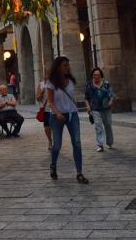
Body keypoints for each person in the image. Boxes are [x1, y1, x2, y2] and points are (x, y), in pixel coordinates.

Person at [45, 56, 88, 184]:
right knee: (57, 144)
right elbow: (50, 102)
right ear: (58, 67)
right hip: (56, 116)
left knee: (77, 142)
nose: (67, 67)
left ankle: (79, 173)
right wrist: (57, 113)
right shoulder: (51, 82)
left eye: (68, 65)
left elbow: (70, 98)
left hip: (72, 114)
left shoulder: (71, 81)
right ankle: (53, 165)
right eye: (64, 65)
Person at [85, 67, 116, 152]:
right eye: (94, 75)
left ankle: (109, 143)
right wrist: (88, 106)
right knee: (98, 126)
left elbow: (112, 94)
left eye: (98, 75)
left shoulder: (106, 84)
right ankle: (100, 144)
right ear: (92, 76)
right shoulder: (89, 85)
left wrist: (111, 101)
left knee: (108, 125)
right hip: (95, 109)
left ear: (101, 76)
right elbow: (86, 98)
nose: (96, 77)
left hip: (106, 108)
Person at [37, 78, 53, 149]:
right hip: (46, 109)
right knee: (47, 127)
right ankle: (50, 140)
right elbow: (38, 98)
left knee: (56, 127)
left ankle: (57, 140)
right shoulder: (41, 84)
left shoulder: (56, 82)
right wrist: (42, 92)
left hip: (56, 109)